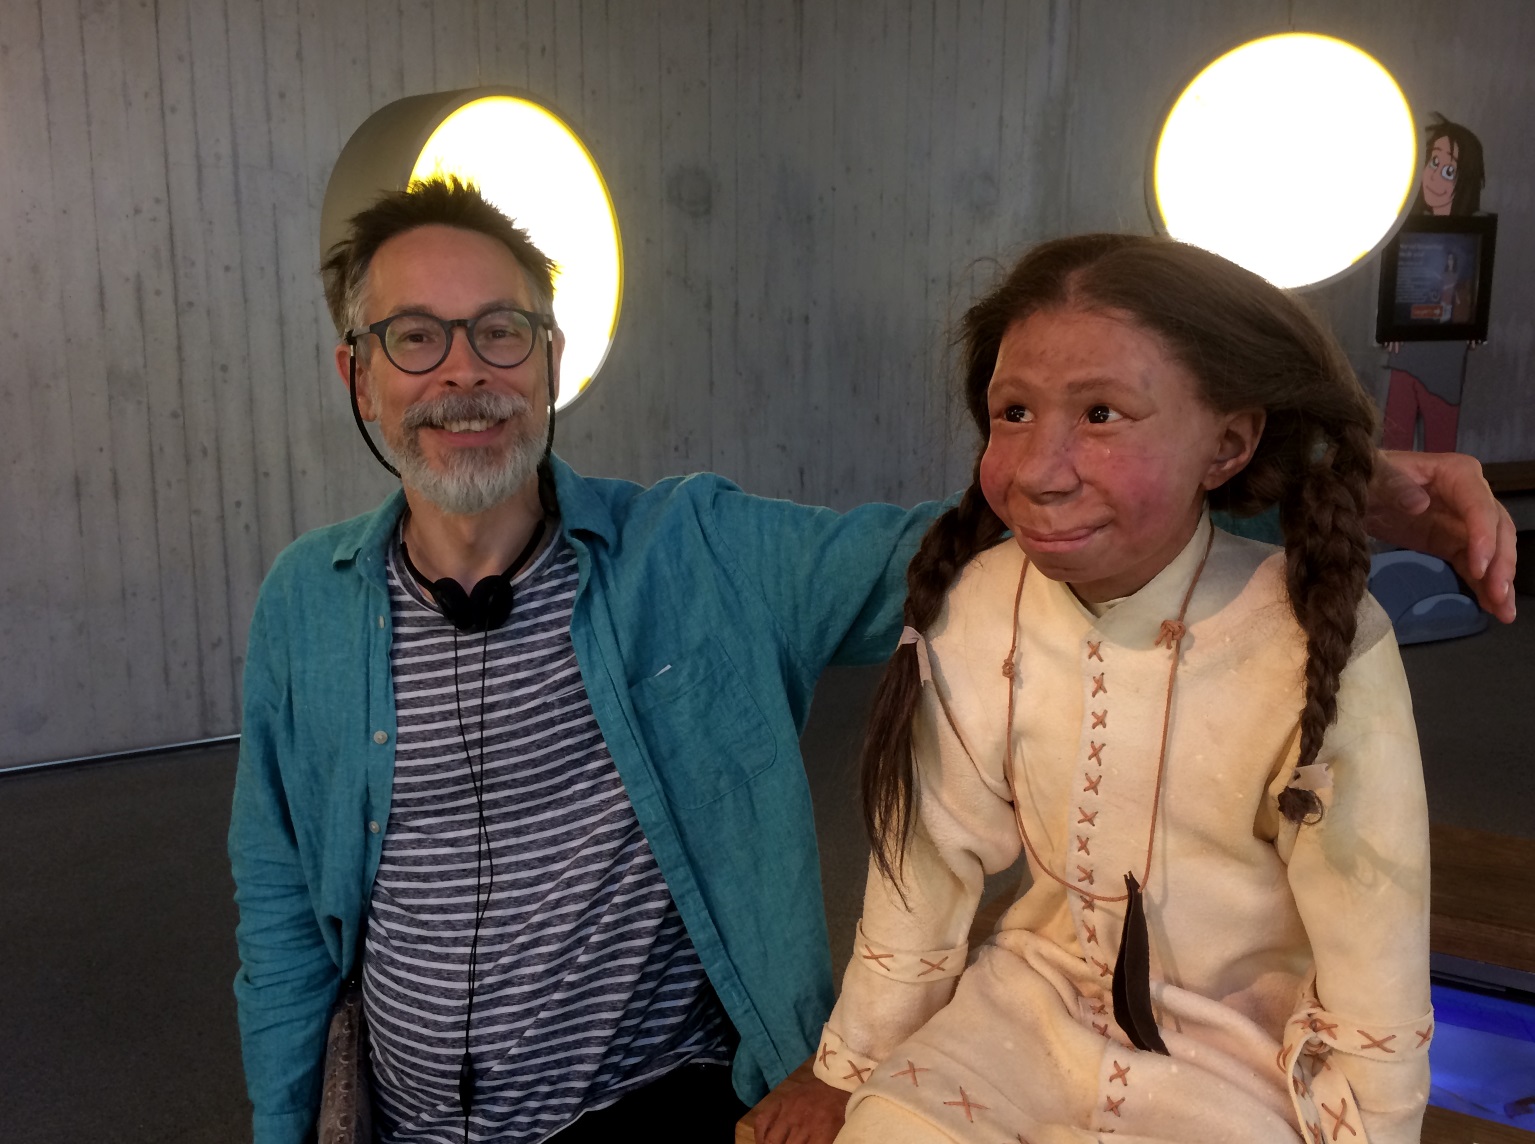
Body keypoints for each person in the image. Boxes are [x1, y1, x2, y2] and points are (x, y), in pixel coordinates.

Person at [230, 180, 1514, 1144]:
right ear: (357, 376)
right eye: (414, 337)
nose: (463, 372)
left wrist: (1327, 488)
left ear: (552, 359)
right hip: (402, 1115)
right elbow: (281, 906)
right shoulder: (303, 604)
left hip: (649, 1103)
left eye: (500, 332)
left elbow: (1018, 536)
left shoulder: (700, 552)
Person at [772, 234, 1434, 1144]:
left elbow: (1374, 936)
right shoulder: (979, 605)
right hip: (1027, 1009)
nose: (1038, 471)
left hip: (1240, 1047)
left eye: (1100, 414)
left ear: (1227, 443)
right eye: (1012, 412)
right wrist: (849, 1069)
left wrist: (1378, 1126)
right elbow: (922, 868)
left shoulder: (1313, 634)